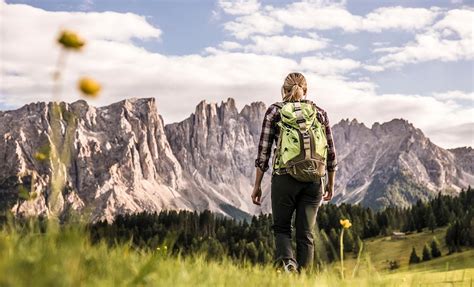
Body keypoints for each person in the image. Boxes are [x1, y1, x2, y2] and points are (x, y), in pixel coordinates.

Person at [251, 72, 338, 273]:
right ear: (305, 91)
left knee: (282, 228)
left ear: (284, 90)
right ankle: (304, 279)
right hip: (314, 180)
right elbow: (331, 153)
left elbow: (263, 152)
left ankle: (288, 264)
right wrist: (330, 183)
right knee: (305, 233)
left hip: (284, 178)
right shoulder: (320, 113)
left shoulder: (274, 112)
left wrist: (257, 185)